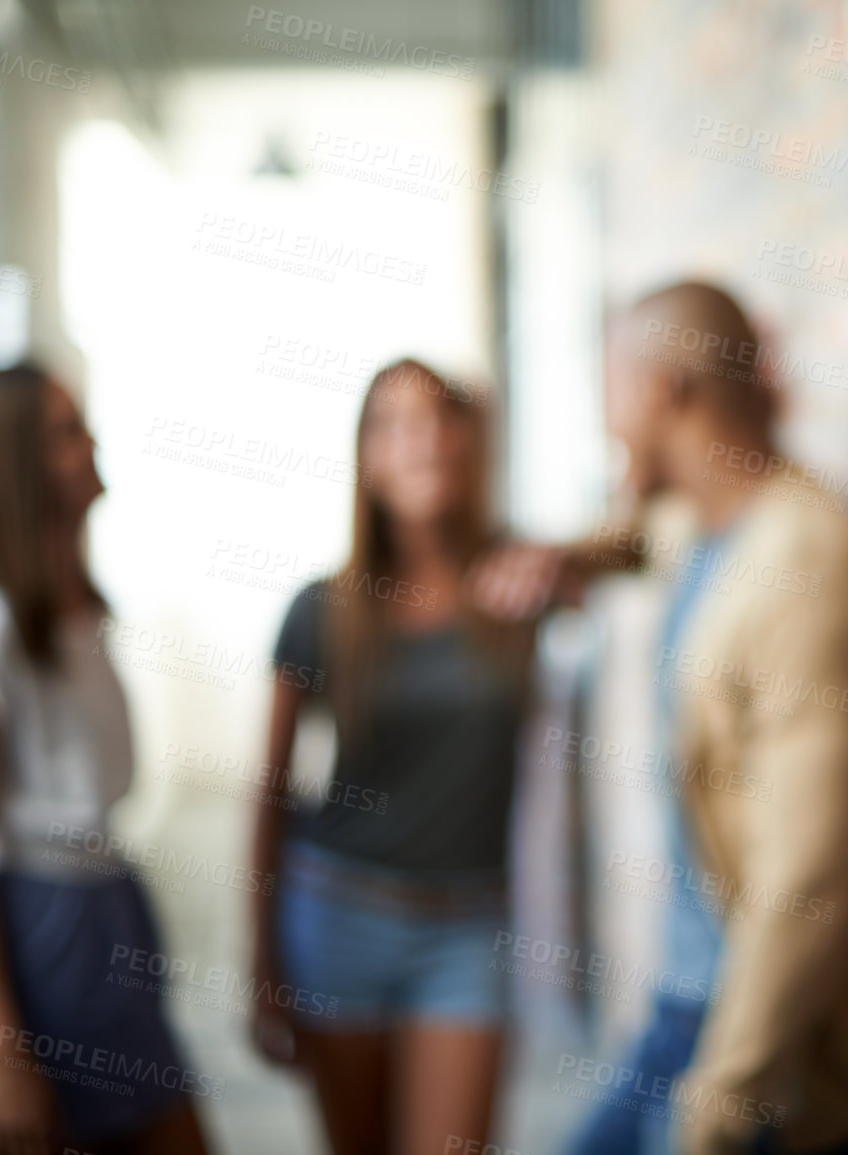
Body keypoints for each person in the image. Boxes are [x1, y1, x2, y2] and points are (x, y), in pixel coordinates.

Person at [479, 283, 848, 1155]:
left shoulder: (812, 561)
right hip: (685, 999)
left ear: (659, 390)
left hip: (754, 1042)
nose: (607, 423)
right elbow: (646, 536)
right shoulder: (713, 524)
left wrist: (721, 1109)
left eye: (611, 390)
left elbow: (806, 885)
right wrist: (569, 554)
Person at [0, 364, 212, 1155]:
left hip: (100, 920)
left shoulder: (76, 609)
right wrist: (5, 1052)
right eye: (67, 431)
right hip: (31, 945)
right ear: (14, 465)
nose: (92, 444)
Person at [248, 359, 530, 1154]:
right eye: (394, 423)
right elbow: (267, 791)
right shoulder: (321, 610)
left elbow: (641, 541)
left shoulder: (514, 584)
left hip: (468, 930)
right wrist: (261, 959)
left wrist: (564, 554)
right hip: (338, 915)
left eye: (441, 417)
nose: (424, 440)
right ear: (365, 457)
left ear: (469, 440)